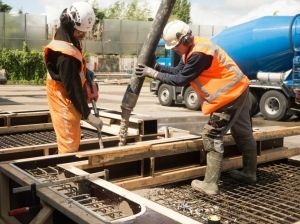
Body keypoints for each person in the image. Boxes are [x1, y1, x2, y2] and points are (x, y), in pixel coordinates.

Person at [135, 20, 257, 195]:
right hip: (240, 92)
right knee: (243, 132)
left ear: (184, 40)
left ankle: (210, 184)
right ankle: (249, 173)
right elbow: (178, 71)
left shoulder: (199, 54)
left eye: (176, 47)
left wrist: (152, 74)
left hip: (229, 98)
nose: (175, 50)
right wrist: (157, 67)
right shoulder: (195, 48)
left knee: (211, 135)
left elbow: (180, 80)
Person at [44, 2, 102, 154]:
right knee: (68, 139)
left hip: (66, 85)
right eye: (80, 32)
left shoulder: (67, 34)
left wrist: (84, 71)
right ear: (71, 24)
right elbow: (73, 89)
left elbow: (74, 67)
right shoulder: (64, 56)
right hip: (62, 95)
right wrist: (88, 115)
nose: (82, 35)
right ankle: (64, 171)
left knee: (71, 133)